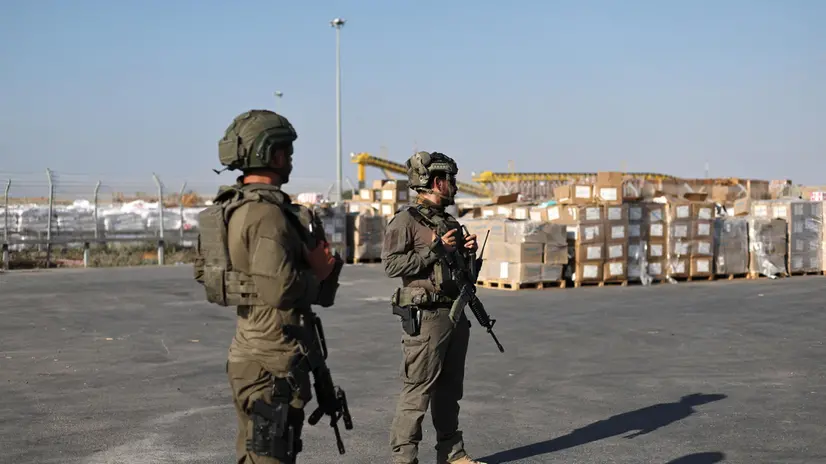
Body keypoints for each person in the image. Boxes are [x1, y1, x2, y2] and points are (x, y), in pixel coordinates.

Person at [194, 109, 337, 463]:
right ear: (273, 154)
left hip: (256, 351)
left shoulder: (236, 207)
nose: (289, 159)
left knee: (256, 455)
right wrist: (318, 273)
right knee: (270, 456)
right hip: (272, 360)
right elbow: (279, 290)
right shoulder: (267, 214)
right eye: (286, 151)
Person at [381, 151, 486, 464]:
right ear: (437, 182)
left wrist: (469, 255)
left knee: (450, 390)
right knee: (418, 390)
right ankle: (404, 458)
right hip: (426, 316)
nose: (454, 185)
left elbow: (461, 275)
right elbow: (392, 265)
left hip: (454, 313)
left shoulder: (451, 222)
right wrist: (435, 251)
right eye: (450, 180)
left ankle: (452, 454)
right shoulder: (406, 221)